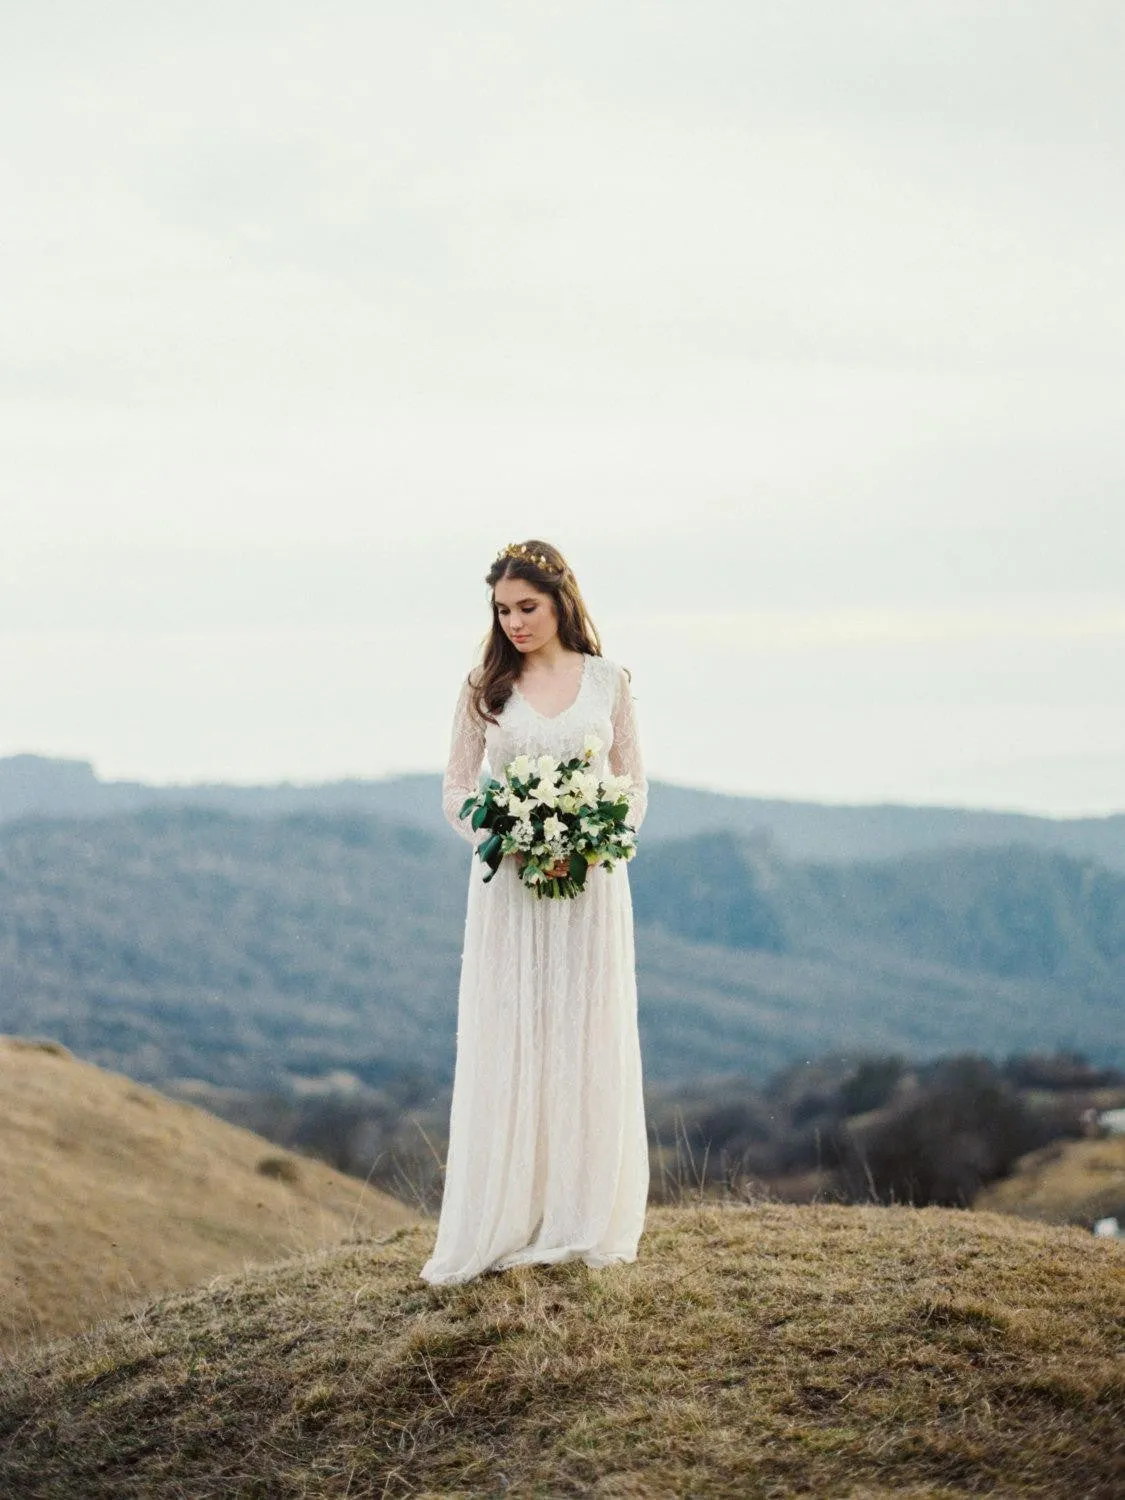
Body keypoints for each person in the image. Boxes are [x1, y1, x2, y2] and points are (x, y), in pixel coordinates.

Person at [419, 538, 650, 1283]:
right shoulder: (483, 686)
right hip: (510, 886)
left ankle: (581, 1216)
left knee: (583, 1030)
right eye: (502, 610)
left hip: (589, 886)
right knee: (515, 1031)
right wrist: (507, 831)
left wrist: (591, 839)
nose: (514, 622)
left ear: (560, 602)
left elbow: (632, 783)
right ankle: (507, 1213)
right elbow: (456, 788)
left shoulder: (608, 681)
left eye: (527, 607)